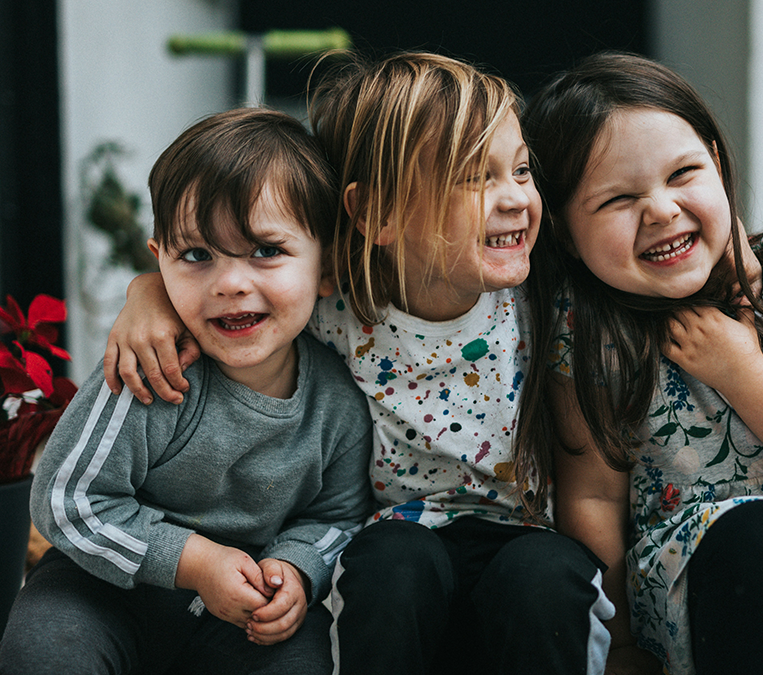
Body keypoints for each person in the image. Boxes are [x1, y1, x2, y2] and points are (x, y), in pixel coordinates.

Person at [95, 52, 623, 675]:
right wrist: (148, 293)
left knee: (547, 575)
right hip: (396, 539)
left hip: (524, 540)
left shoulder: (545, 299)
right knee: (391, 564)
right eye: (476, 178)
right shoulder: (341, 305)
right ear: (377, 215)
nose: (514, 198)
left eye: (521, 170)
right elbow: (244, 289)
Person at [518, 51, 763, 675]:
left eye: (683, 173)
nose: (662, 209)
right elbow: (592, 498)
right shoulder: (586, 331)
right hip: (695, 572)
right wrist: (613, 646)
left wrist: (742, 372)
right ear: (564, 233)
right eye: (618, 199)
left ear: (718, 167)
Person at [0, 107, 373, 675]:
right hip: (102, 589)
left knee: (298, 660)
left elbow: (339, 514)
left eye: (266, 251)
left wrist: (295, 569)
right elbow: (66, 501)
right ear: (160, 262)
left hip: (241, 606)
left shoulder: (338, 403)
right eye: (196, 256)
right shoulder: (149, 370)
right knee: (45, 647)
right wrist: (194, 562)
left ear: (327, 267)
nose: (229, 283)